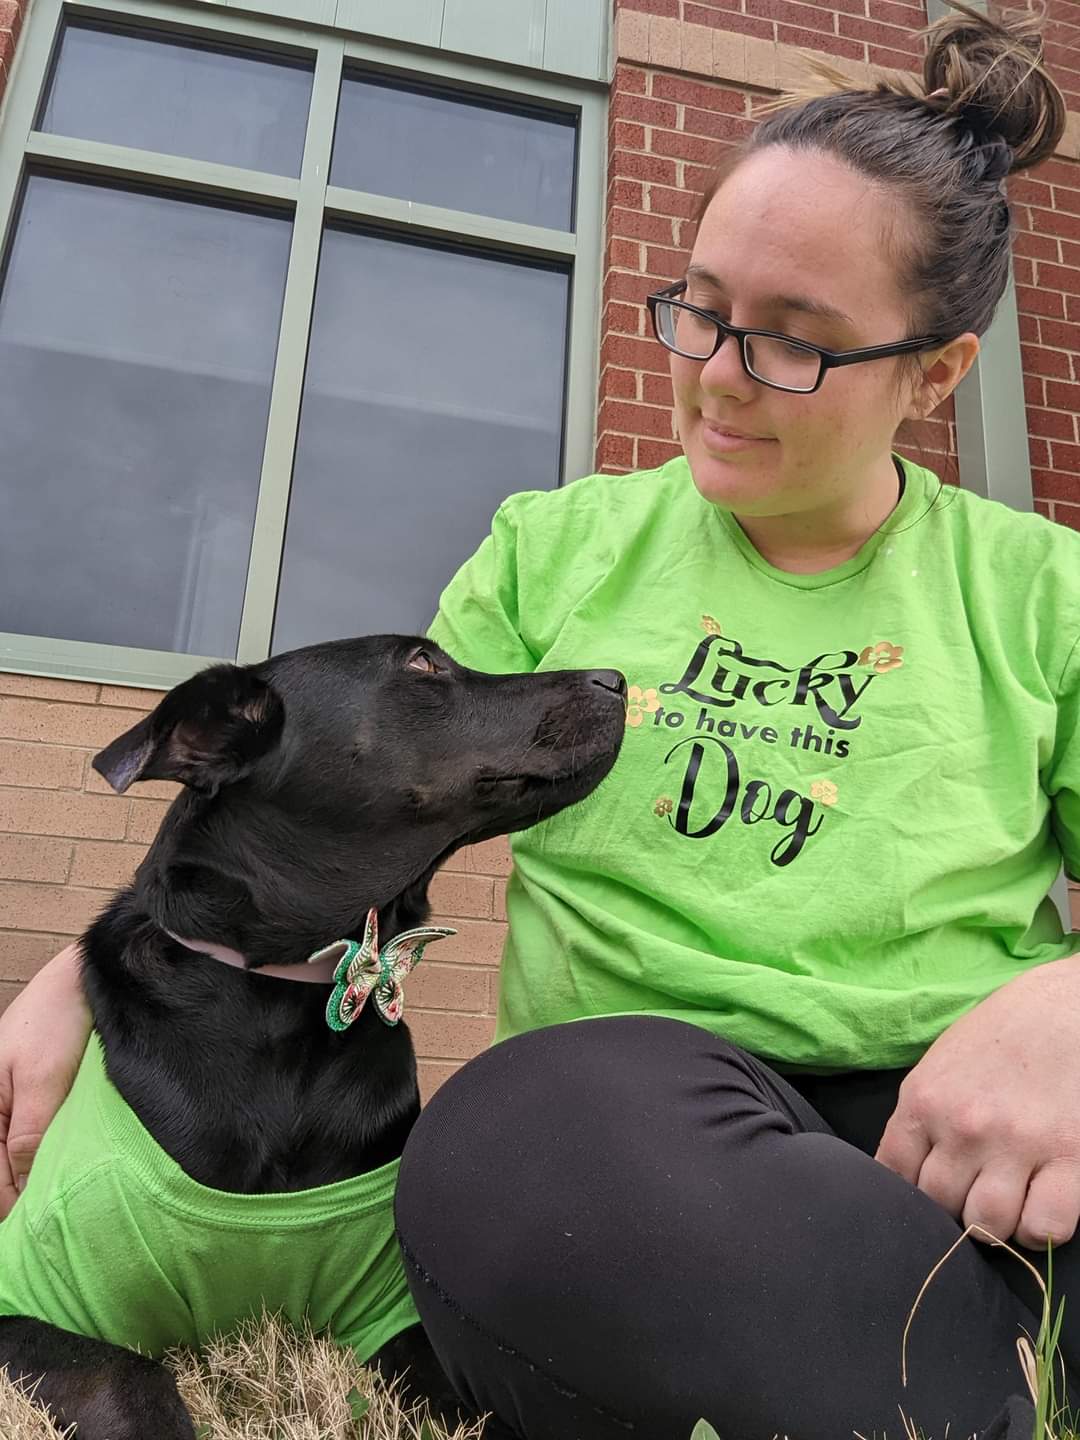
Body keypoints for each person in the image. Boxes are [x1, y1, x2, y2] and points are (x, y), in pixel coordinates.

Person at [1, 6, 1076, 1436]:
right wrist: (80, 981)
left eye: (793, 346)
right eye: (700, 310)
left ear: (935, 372)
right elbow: (345, 791)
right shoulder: (555, 550)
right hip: (643, 1134)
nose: (713, 375)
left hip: (979, 1124)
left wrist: (1069, 1010)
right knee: (505, 1146)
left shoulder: (1039, 592)